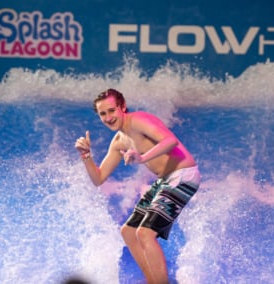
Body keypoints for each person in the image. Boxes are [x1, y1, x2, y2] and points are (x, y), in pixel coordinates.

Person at [75, 89, 200, 284]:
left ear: (122, 107)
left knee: (145, 233)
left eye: (111, 110)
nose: (108, 117)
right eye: (103, 114)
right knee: (128, 231)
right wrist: (86, 156)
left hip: (183, 174)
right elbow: (98, 178)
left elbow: (170, 141)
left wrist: (142, 157)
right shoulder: (118, 141)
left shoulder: (139, 120)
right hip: (165, 180)